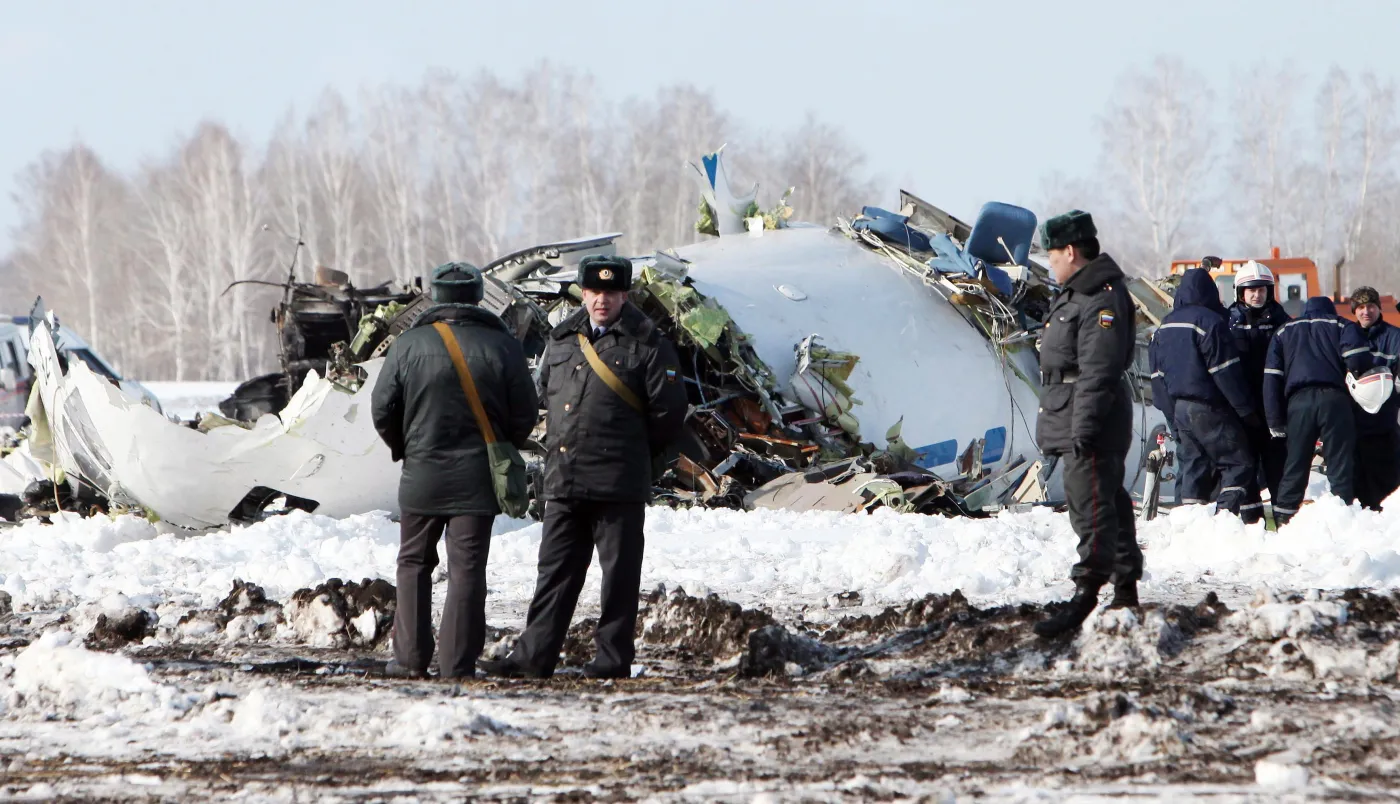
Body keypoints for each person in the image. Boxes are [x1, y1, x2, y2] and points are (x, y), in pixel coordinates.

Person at [481, 255, 688, 679]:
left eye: (610, 294)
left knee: (619, 580)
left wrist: (630, 456)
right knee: (553, 574)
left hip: (619, 484)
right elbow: (546, 398)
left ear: (624, 296)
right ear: (584, 293)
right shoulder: (561, 339)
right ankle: (533, 657)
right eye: (594, 292)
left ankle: (612, 661)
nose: (601, 301)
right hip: (564, 480)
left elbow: (668, 414)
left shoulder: (648, 343)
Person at [370, 263, 539, 679]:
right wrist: (502, 446)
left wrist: (406, 447)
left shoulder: (408, 345)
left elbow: (381, 408)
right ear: (478, 297)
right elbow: (526, 414)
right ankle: (457, 664)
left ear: (436, 297)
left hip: (422, 473)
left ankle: (409, 660)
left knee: (413, 562)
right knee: (467, 568)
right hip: (478, 476)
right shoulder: (503, 346)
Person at [1032, 210, 1143, 639]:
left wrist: (1085, 426)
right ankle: (1124, 587)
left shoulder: (1101, 297)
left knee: (1090, 507)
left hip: (1089, 415)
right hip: (1073, 410)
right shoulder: (1076, 293)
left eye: (1052, 254)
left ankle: (1086, 592)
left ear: (1071, 251)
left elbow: (1097, 368)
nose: (1050, 262)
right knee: (1108, 502)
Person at [1148, 267, 1258, 515]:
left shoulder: (1163, 328)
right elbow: (1225, 372)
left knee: (1193, 467)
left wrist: (1173, 418)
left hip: (1179, 409)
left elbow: (1157, 378)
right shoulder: (1210, 323)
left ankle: (1189, 523)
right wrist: (1246, 411)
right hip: (1209, 407)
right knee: (1237, 463)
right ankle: (1224, 518)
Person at [1264, 296, 1374, 525]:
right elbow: (1358, 361)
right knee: (1339, 463)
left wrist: (1274, 419)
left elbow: (1272, 379)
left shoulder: (1284, 331)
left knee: (1296, 463)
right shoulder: (1342, 325)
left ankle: (1285, 518)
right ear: (1330, 310)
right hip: (1335, 401)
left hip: (1298, 402)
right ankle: (1342, 516)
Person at [1226, 259, 1291, 523]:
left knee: (1278, 468)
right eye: (1251, 289)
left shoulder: (1282, 321)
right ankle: (1250, 524)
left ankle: (1285, 522)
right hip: (1242, 410)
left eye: (1262, 289)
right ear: (1240, 292)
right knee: (1245, 468)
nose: (1257, 294)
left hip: (1273, 409)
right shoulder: (1227, 322)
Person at [1348, 286, 1400, 510]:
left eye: (1370, 306)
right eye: (1360, 307)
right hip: (1355, 421)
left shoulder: (1394, 336)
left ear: (1379, 309)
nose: (1365, 311)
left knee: (1387, 475)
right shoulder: (1348, 335)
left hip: (1385, 420)